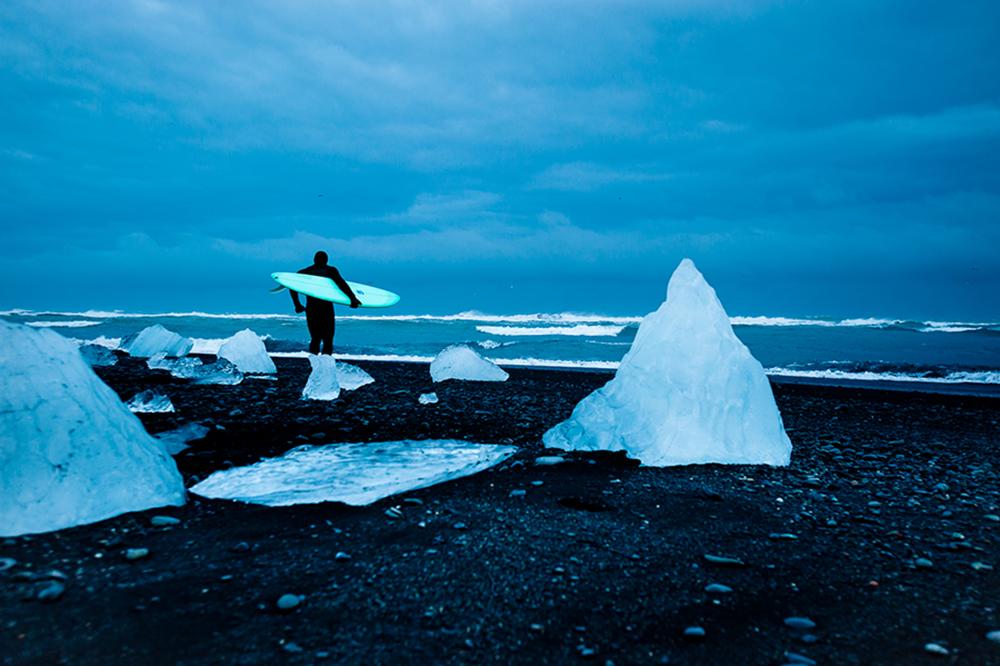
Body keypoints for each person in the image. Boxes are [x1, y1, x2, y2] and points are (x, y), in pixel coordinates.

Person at [290, 251, 362, 355]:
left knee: (315, 338)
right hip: (326, 309)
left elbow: (292, 287)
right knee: (328, 339)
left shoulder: (304, 272)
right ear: (326, 260)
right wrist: (353, 298)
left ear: (314, 260)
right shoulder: (330, 271)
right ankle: (326, 366)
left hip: (312, 308)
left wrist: (297, 304)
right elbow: (342, 284)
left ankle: (314, 365)